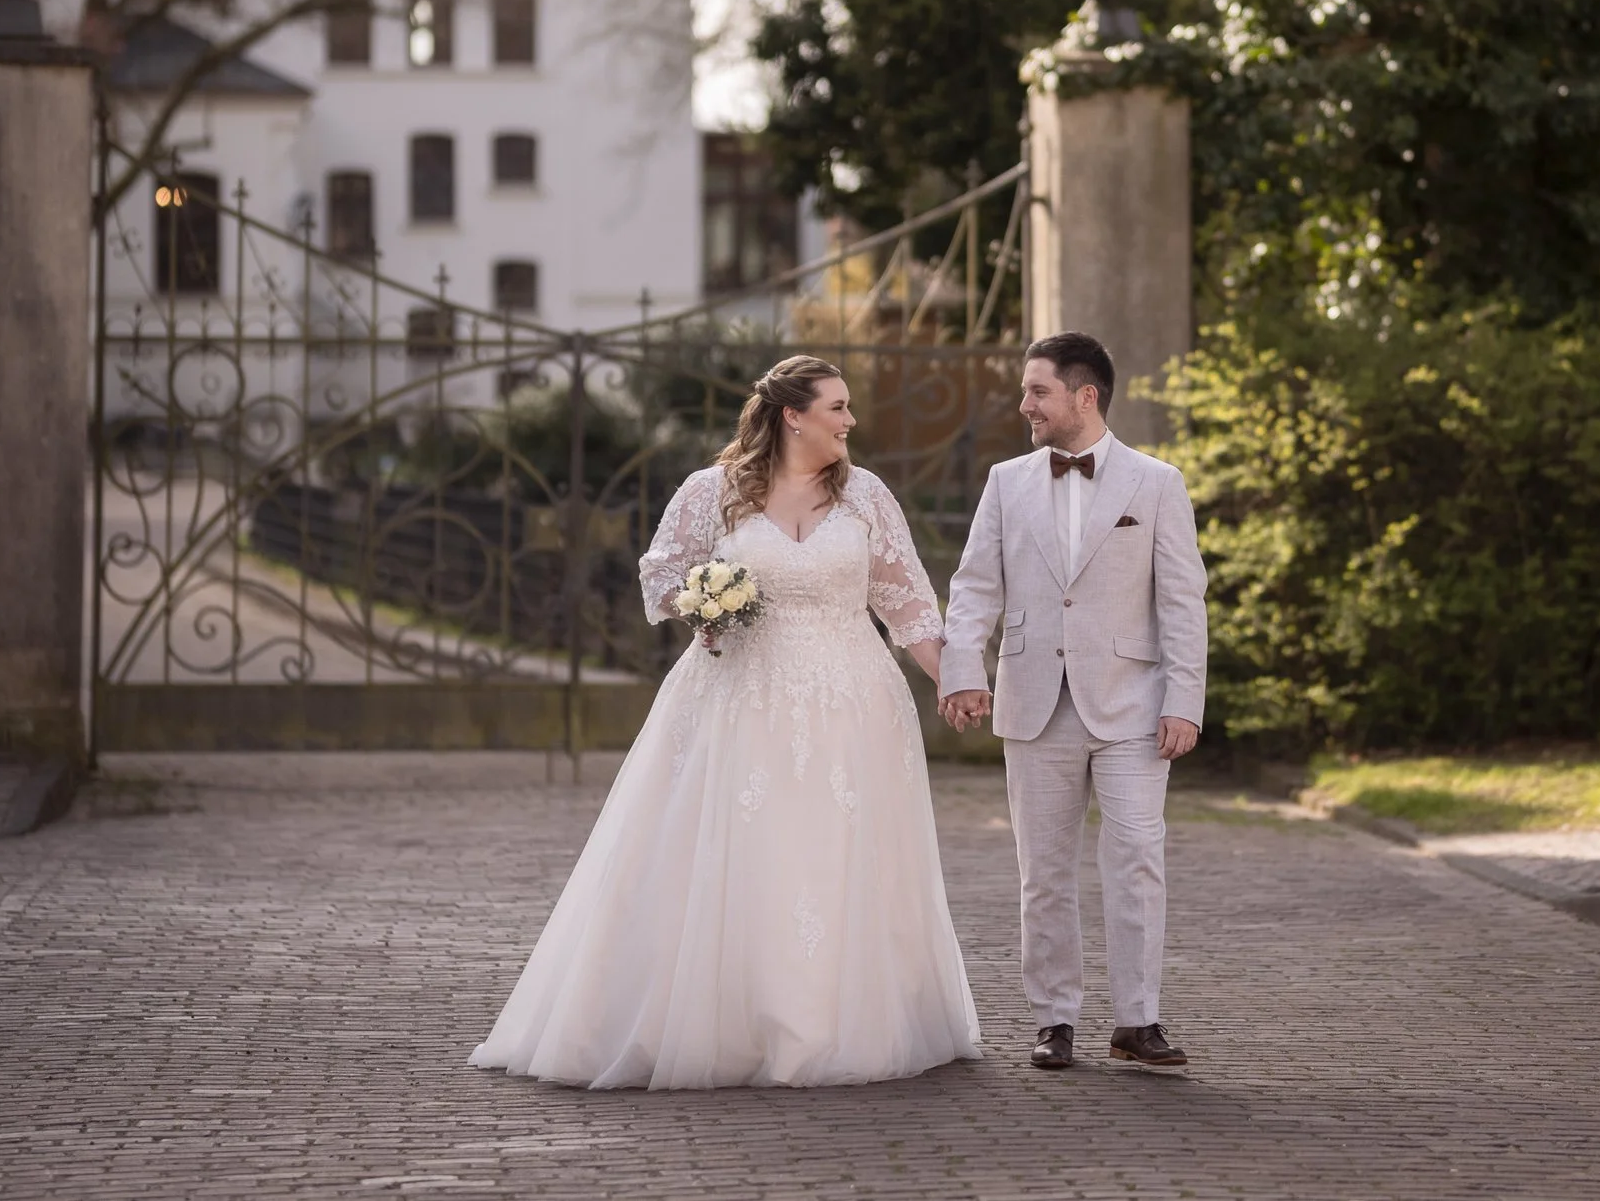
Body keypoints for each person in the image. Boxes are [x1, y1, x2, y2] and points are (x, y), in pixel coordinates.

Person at [470, 355, 983, 1089]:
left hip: (854, 706)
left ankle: (832, 1020)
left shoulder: (866, 494)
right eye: (837, 407)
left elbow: (908, 605)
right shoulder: (712, 491)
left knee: (834, 856)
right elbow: (660, 575)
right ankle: (733, 1022)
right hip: (740, 697)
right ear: (793, 415)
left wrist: (954, 679)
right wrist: (706, 601)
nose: (850, 420)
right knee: (747, 850)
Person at [937, 331, 1210, 1071]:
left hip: (1134, 703)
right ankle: (1053, 1019)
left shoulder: (1157, 482)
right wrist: (961, 669)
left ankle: (1137, 1021)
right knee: (1044, 871)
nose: (1024, 404)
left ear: (1085, 396)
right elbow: (975, 585)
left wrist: (1185, 698)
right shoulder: (1006, 481)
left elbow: (1182, 599)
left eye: (1038, 391)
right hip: (1033, 701)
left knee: (1137, 858)